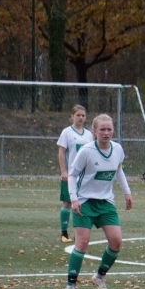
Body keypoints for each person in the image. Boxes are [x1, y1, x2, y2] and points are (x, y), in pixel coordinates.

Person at [64, 114, 132, 289]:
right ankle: (70, 286)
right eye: (102, 129)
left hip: (105, 202)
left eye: (109, 129)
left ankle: (99, 276)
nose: (106, 133)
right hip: (84, 201)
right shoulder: (86, 151)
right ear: (94, 131)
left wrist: (127, 192)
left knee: (116, 241)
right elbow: (72, 175)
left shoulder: (117, 149)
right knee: (82, 243)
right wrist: (74, 199)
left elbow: (118, 170)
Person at [56, 104, 94, 243]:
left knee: (84, 203)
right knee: (67, 203)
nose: (80, 118)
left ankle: (81, 233)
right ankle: (64, 233)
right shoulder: (67, 132)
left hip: (85, 176)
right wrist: (63, 171)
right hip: (71, 174)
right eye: (78, 115)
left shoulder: (89, 134)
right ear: (72, 116)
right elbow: (61, 152)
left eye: (83, 115)